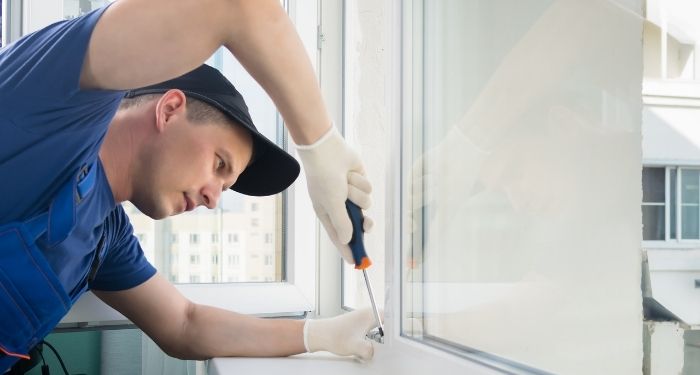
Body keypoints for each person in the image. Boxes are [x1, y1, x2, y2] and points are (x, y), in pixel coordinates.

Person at [0, 0, 378, 372]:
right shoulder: (57, 104)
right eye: (219, 164)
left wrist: (321, 336)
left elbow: (184, 324)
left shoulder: (104, 239)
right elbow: (234, 7)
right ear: (169, 110)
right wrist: (319, 144)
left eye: (224, 186)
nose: (213, 198)